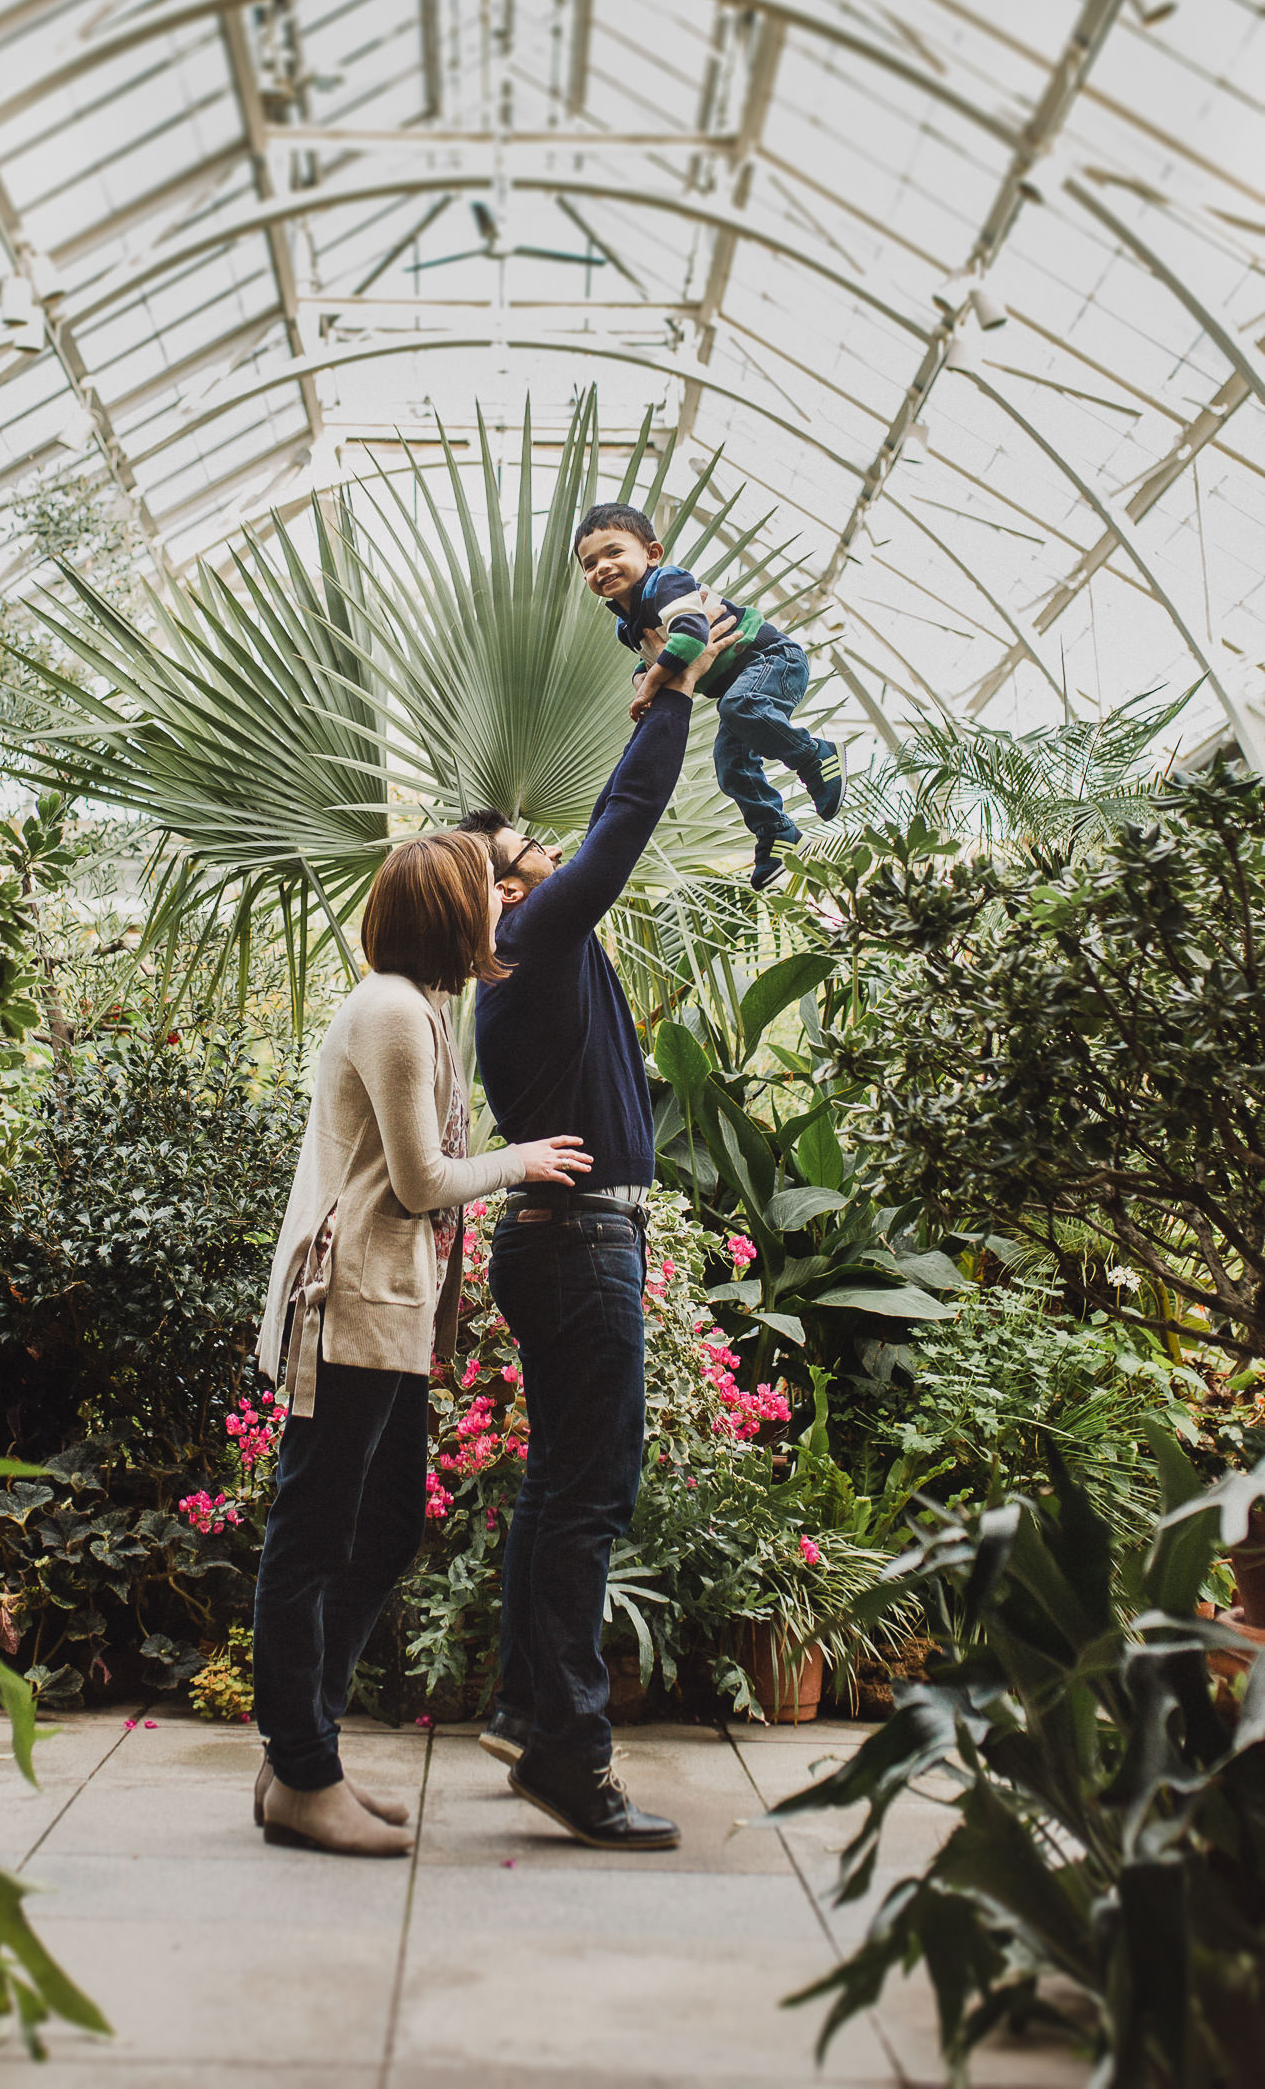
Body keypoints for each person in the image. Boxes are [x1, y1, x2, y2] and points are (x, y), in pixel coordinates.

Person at [251, 830, 593, 1858]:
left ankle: (299, 1751)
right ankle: (303, 1772)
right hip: (349, 1299)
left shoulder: (422, 1006)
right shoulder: (395, 1010)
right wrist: (521, 1161)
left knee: (390, 1520)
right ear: (448, 912)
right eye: (486, 890)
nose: (502, 901)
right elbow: (419, 1182)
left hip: (385, 1304)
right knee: (309, 1536)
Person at [456, 610, 737, 1852]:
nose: (548, 849)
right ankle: (571, 1756)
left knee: (557, 1489)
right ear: (506, 891)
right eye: (525, 848)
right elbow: (622, 832)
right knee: (588, 1495)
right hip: (578, 1245)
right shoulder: (533, 939)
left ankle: (528, 1716)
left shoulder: (530, 964)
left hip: (557, 1239)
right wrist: (671, 694)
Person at [574, 500, 845, 891]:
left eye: (614, 552)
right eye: (589, 563)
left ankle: (815, 756)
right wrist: (642, 680)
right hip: (739, 688)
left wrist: (651, 685)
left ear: (651, 554)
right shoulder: (626, 626)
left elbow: (690, 636)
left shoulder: (665, 582)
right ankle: (778, 833)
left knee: (740, 707)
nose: (602, 567)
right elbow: (652, 658)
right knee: (729, 763)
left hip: (770, 659)